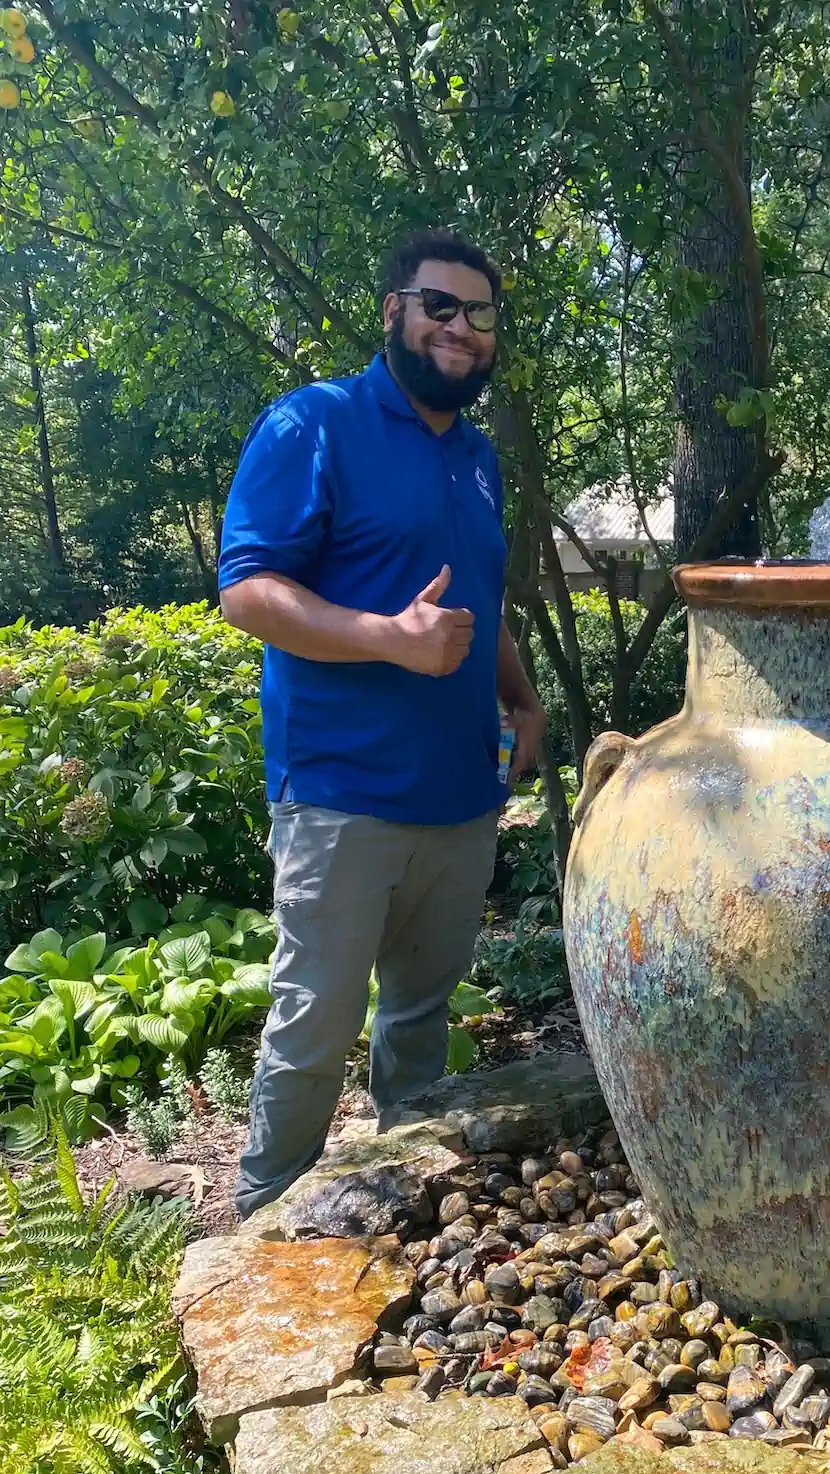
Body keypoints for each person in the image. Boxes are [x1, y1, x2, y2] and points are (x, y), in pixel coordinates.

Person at [218, 227, 546, 1218]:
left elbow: (476, 605)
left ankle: (406, 1193)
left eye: (479, 314)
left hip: (459, 794)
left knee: (418, 1016)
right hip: (340, 792)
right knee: (315, 1024)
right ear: (394, 311)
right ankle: (263, 1224)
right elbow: (247, 591)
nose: (461, 328)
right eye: (439, 305)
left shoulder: (480, 459)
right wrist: (385, 637)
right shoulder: (312, 426)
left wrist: (522, 700)